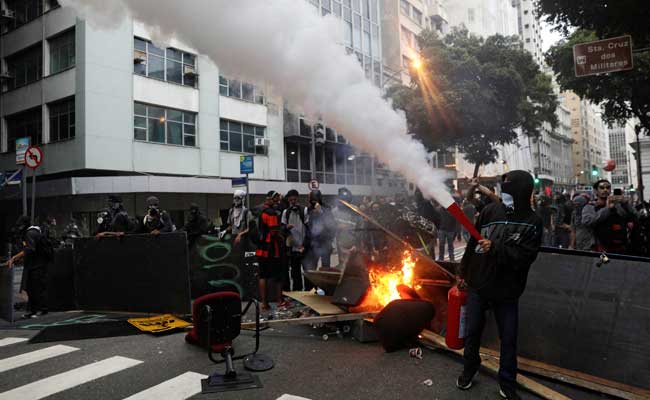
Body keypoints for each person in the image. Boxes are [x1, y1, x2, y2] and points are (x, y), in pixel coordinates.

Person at [457, 170, 543, 400]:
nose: (503, 189)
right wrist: (463, 271)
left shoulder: (533, 222)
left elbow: (526, 256)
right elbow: (472, 244)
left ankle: (507, 383)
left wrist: (495, 248)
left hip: (507, 290)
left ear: (522, 189)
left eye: (509, 185)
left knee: (509, 338)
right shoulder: (489, 211)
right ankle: (469, 369)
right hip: (479, 284)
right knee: (472, 332)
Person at [5, 216, 53, 318]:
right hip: (36, 264)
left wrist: (15, 257)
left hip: (37, 265)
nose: (19, 228)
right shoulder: (34, 231)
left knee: (37, 288)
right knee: (32, 288)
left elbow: (30, 249)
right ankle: (33, 310)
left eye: (20, 226)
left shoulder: (29, 233)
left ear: (24, 225)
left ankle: (41, 310)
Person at [582, 180, 637, 253]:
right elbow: (588, 222)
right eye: (602, 188)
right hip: (600, 249)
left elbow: (634, 217)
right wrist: (607, 209)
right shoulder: (590, 207)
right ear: (595, 191)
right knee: (605, 263)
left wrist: (625, 204)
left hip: (620, 249)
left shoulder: (618, 206)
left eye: (608, 187)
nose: (605, 190)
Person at [255, 191, 285, 309]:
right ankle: (279, 301)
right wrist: (281, 236)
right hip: (272, 249)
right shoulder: (271, 213)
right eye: (276, 199)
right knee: (278, 276)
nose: (278, 202)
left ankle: (264, 303)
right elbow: (273, 231)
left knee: (263, 276)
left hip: (261, 248)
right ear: (271, 199)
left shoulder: (260, 211)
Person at [281, 190, 308, 291]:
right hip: (292, 248)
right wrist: (286, 227)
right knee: (295, 271)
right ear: (288, 200)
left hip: (303, 246)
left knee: (306, 271)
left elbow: (309, 228)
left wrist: (305, 245)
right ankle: (298, 292)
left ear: (297, 198)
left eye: (294, 199)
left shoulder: (304, 210)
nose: (292, 201)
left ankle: (308, 292)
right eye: (291, 199)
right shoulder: (285, 212)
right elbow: (282, 228)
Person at [304, 190, 336, 274]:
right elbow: (307, 225)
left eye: (316, 199)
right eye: (312, 200)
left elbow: (331, 224)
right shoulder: (308, 209)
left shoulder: (327, 208)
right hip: (313, 242)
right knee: (312, 267)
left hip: (325, 242)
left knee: (326, 267)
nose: (314, 202)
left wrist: (320, 212)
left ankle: (325, 286)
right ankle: (312, 286)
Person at [331, 187, 359, 269]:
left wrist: (356, 244)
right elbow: (330, 228)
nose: (344, 202)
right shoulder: (334, 211)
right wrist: (337, 227)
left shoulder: (355, 210)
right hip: (341, 244)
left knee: (354, 268)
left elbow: (361, 228)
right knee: (343, 268)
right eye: (342, 199)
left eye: (346, 200)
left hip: (354, 244)